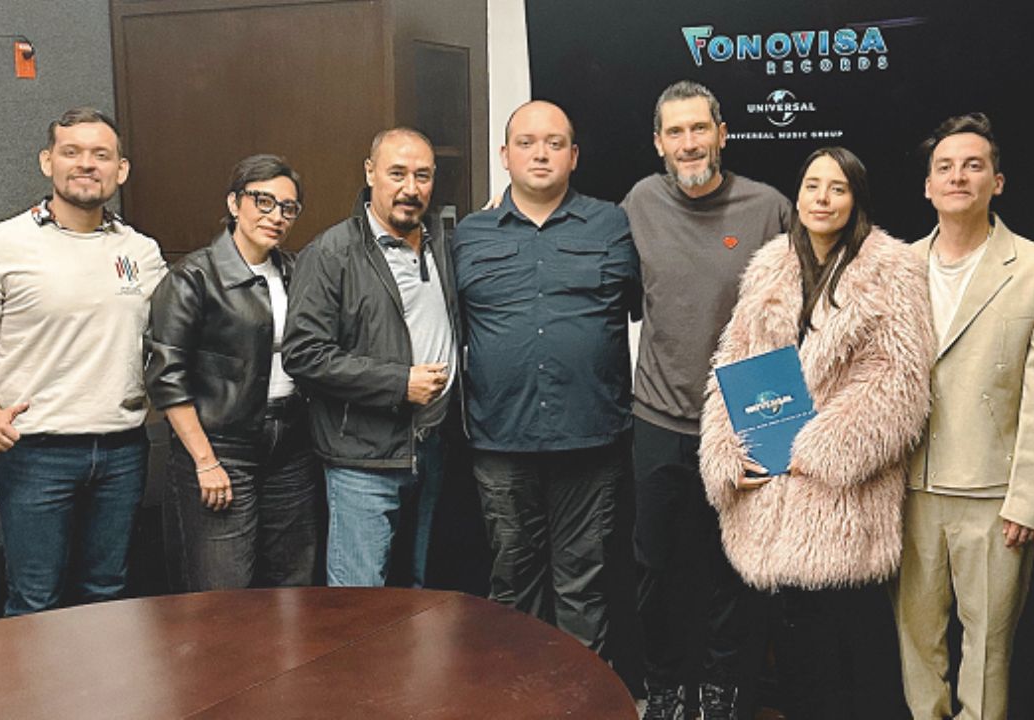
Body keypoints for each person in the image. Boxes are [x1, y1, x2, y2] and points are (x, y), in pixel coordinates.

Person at [700, 147, 931, 718]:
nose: (822, 199)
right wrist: (727, 452)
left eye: (837, 188)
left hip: (842, 502)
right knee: (793, 662)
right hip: (769, 498)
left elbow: (898, 383)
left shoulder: (893, 269)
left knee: (849, 664)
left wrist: (816, 449)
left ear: (856, 200)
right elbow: (735, 362)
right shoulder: (770, 265)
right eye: (812, 186)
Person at [893, 112, 1034, 720]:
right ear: (927, 186)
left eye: (973, 166)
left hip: (994, 495)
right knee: (917, 641)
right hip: (909, 488)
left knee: (988, 647)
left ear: (996, 182)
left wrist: (1028, 499)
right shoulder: (895, 268)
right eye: (945, 167)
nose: (958, 177)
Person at [622, 80, 791, 719]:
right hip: (659, 416)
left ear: (722, 134)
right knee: (656, 568)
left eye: (700, 128)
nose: (689, 143)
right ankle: (666, 689)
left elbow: (798, 316)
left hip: (748, 414)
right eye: (676, 132)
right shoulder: (639, 203)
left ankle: (724, 693)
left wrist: (778, 429)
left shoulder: (768, 207)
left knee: (739, 570)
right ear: (658, 143)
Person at [452, 100, 639, 653]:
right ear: (504, 155)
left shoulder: (613, 224)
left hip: (591, 438)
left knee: (584, 584)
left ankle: (582, 696)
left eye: (555, 143)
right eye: (527, 143)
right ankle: (520, 694)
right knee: (512, 581)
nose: (541, 154)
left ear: (573, 156)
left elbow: (645, 304)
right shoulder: (469, 234)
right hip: (501, 439)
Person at [0, 107, 166, 615]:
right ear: (47, 161)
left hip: (122, 449)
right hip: (36, 453)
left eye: (101, 154)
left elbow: (171, 341)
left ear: (121, 169)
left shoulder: (142, 252)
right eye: (71, 152)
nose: (86, 164)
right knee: (36, 600)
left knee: (108, 595)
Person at [282, 128, 458, 588]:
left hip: (431, 449)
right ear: (370, 173)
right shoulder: (331, 253)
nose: (410, 188)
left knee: (420, 597)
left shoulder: (443, 244)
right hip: (363, 459)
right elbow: (303, 354)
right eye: (397, 173)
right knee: (358, 600)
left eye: (422, 176)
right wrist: (399, 382)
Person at [146, 154, 319, 591]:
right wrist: (206, 462)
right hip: (222, 448)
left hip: (290, 448)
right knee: (223, 590)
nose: (276, 216)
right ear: (233, 202)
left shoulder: (295, 271)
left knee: (292, 584)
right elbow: (167, 378)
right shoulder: (193, 277)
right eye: (263, 201)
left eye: (288, 208)